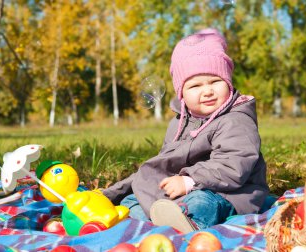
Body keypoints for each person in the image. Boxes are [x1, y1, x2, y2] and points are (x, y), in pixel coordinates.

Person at [102, 28, 269, 233]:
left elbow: (234, 166)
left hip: (231, 193)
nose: (207, 91)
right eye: (195, 86)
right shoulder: (180, 122)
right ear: (182, 93)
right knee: (133, 197)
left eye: (216, 81)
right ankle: (153, 221)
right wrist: (111, 194)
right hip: (183, 189)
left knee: (202, 202)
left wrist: (191, 181)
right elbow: (161, 165)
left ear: (228, 82)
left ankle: (189, 223)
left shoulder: (235, 120)